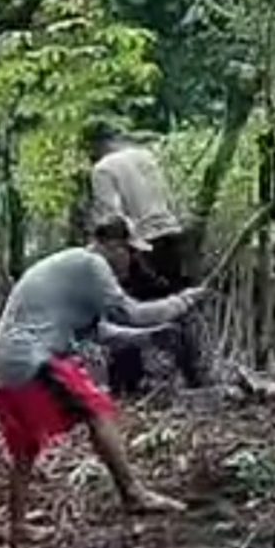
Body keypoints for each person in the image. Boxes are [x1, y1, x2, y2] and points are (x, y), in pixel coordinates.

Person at [0, 215, 206, 546]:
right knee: (96, 409)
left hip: (6, 361)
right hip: (32, 356)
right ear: (114, 246)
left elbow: (102, 332)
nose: (132, 260)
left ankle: (17, 525)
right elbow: (128, 313)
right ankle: (134, 493)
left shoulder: (75, 268)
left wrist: (151, 336)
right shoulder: (91, 263)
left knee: (26, 446)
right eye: (130, 252)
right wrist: (184, 301)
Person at [87, 124, 207, 394]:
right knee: (177, 305)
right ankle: (193, 374)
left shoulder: (103, 169)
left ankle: (126, 382)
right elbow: (167, 198)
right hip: (171, 236)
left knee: (123, 310)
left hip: (140, 242)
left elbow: (113, 217)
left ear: (98, 147)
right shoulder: (146, 157)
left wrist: (114, 250)